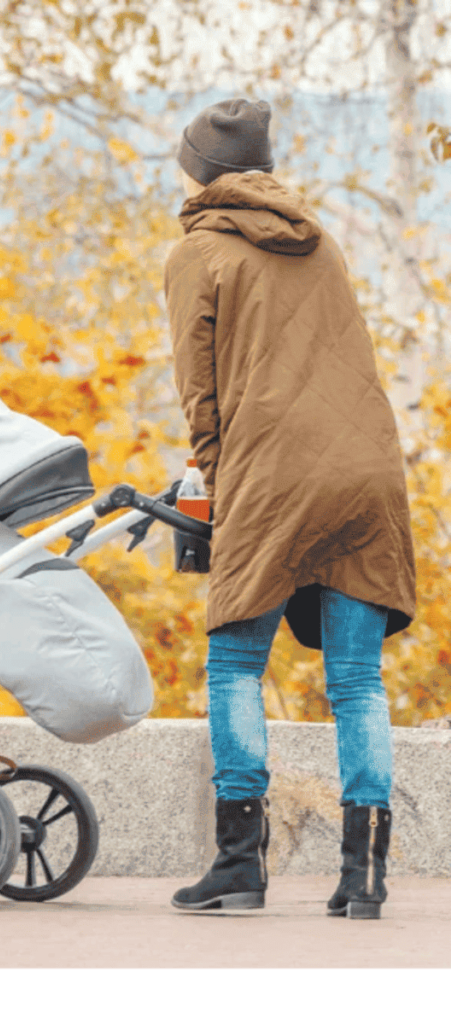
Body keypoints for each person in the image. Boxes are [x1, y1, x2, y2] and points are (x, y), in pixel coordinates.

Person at [163, 98, 416, 919]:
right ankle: (363, 876)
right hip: (365, 471)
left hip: (270, 474)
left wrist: (216, 479)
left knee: (235, 663)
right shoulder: (320, 241)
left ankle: (239, 863)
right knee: (356, 680)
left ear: (199, 172)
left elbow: (199, 390)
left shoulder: (198, 252)